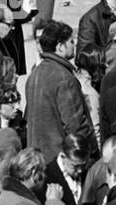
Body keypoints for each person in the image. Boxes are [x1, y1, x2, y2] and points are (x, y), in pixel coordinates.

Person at [25, 20, 98, 164]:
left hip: (38, 157)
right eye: (71, 42)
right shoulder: (64, 78)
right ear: (60, 46)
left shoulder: (35, 74)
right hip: (60, 158)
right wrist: (92, 152)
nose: (75, 45)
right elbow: (75, 124)